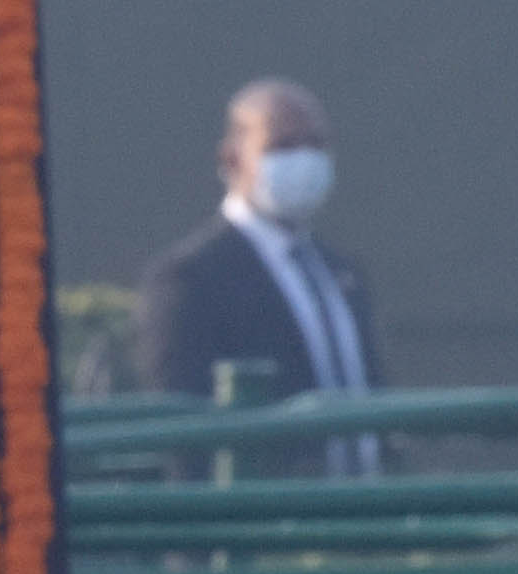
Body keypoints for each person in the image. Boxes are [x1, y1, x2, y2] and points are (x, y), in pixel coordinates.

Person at [131, 77, 382, 465]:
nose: (304, 160)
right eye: (282, 145)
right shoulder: (190, 279)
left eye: (316, 145)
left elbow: (372, 393)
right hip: (271, 517)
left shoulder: (340, 274)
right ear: (232, 159)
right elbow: (183, 437)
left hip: (369, 514)